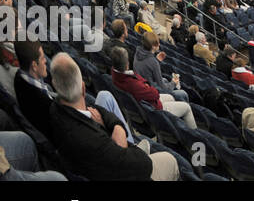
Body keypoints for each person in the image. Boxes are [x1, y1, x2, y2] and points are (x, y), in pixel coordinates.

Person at [47, 52, 178, 181]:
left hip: (108, 148)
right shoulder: (94, 143)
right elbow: (143, 164)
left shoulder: (56, 108)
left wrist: (116, 126)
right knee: (170, 159)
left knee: (104, 95)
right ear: (83, 88)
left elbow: (100, 111)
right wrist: (122, 145)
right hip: (125, 162)